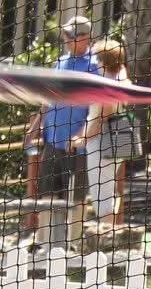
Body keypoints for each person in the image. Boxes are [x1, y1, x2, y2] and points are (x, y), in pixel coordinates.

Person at [23, 16, 99, 236]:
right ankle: (44, 241)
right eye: (65, 34)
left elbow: (97, 110)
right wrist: (35, 127)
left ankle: (73, 244)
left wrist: (80, 136)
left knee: (75, 199)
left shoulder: (94, 66)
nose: (66, 38)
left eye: (71, 35)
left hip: (77, 148)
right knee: (47, 195)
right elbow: (48, 99)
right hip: (52, 142)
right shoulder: (59, 62)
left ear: (85, 37)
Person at [73, 38, 143, 231]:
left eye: (97, 58)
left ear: (102, 61)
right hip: (118, 139)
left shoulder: (106, 85)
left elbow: (102, 116)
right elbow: (121, 68)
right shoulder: (121, 79)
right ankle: (111, 232)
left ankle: (108, 235)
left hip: (101, 142)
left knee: (101, 193)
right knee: (108, 189)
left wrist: (82, 140)